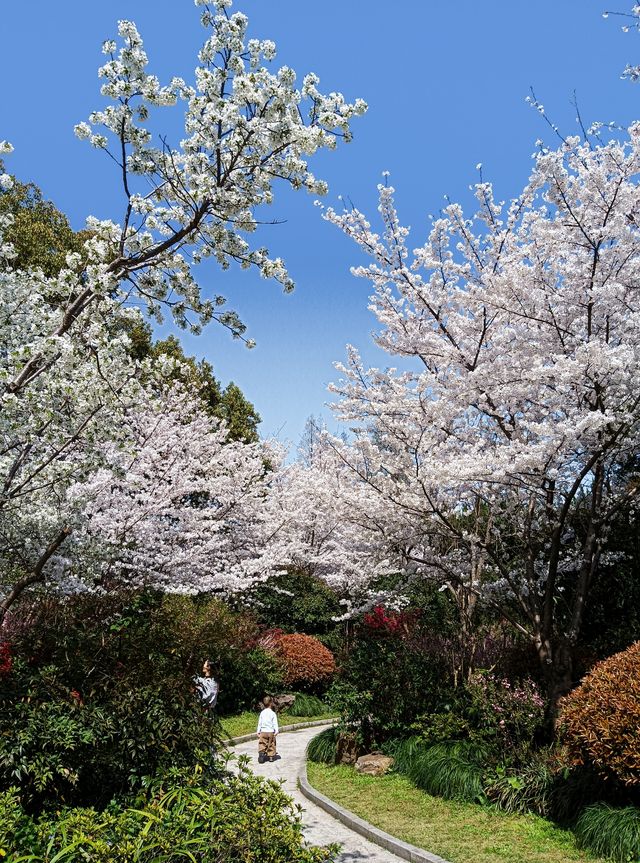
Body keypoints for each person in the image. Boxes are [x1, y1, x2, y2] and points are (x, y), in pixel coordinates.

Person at [256, 694, 279, 763]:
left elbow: (260, 722)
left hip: (263, 731)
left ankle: (261, 754)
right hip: (270, 732)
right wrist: (276, 730)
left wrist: (258, 731)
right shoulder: (273, 713)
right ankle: (271, 757)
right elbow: (275, 723)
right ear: (271, 703)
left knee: (262, 743)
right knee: (271, 743)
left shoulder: (262, 713)